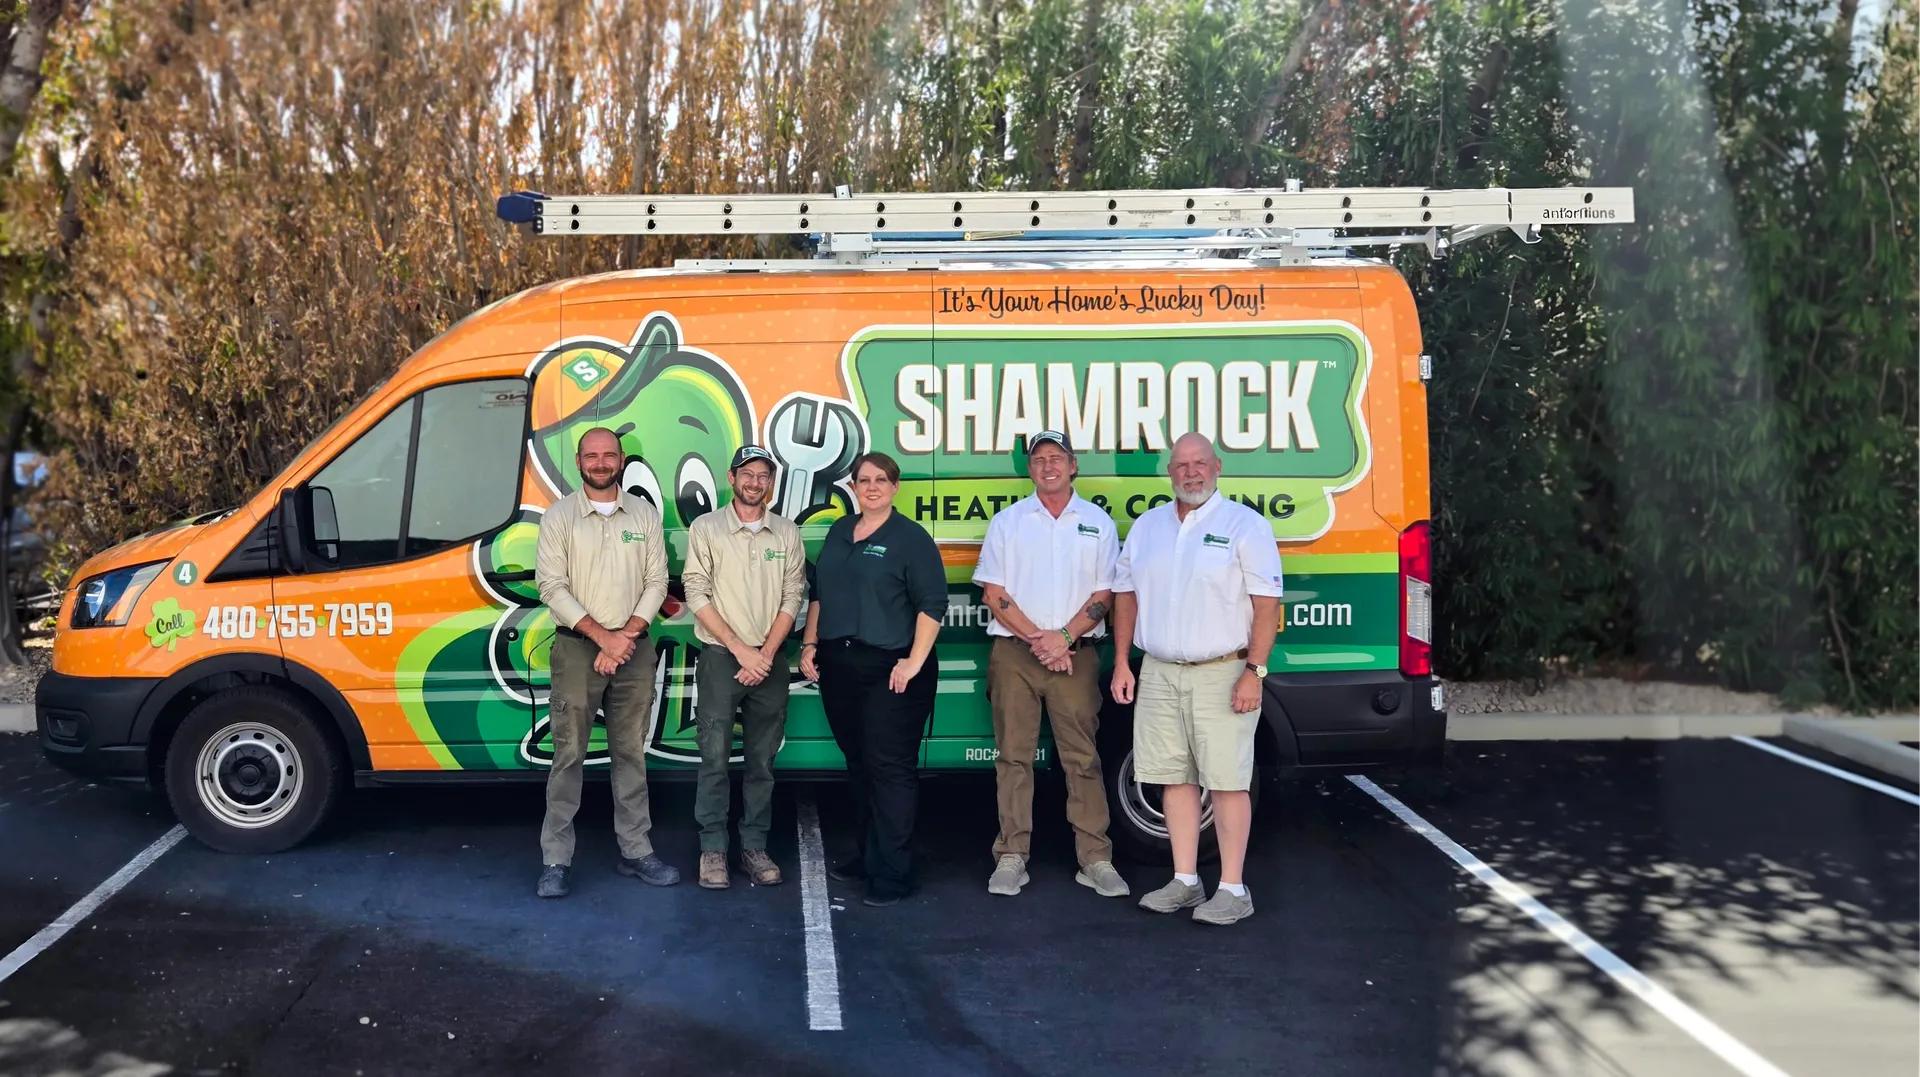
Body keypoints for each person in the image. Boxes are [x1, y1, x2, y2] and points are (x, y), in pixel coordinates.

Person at [1110, 432, 1283, 925]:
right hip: (1159, 671)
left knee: (1228, 783)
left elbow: (1267, 605)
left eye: (1199, 463)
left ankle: (1233, 889)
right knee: (1174, 778)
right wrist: (1123, 661)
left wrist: (1254, 671)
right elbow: (1127, 596)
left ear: (1217, 466)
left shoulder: (1245, 526)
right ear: (1170, 472)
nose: (1191, 472)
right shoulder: (1147, 527)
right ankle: (1185, 881)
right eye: (1181, 465)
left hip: (1223, 671)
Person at [972, 429, 1128, 899]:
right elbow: (994, 593)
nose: (1047, 465)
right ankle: (1012, 856)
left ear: (1073, 466)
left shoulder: (1098, 523)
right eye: (1038, 459)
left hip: (1076, 656)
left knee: (1082, 759)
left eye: (1056, 457)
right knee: (1013, 758)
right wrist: (1041, 641)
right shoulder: (1008, 522)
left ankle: (1095, 858)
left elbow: (1106, 594)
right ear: (1030, 469)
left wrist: (1063, 638)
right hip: (1016, 656)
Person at [532, 427, 679, 897]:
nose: (600, 463)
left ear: (621, 461)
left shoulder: (645, 515)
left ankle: (636, 851)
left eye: (608, 455)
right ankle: (556, 860)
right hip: (576, 650)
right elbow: (551, 587)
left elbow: (658, 581)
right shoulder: (559, 519)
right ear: (578, 462)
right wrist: (602, 638)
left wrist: (627, 636)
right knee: (568, 755)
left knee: (630, 753)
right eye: (591, 456)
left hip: (633, 650)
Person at [800, 451, 946, 907]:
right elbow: (821, 595)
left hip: (894, 670)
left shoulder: (911, 538)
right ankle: (869, 857)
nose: (873, 487)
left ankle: (892, 874)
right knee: (859, 763)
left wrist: (913, 661)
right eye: (864, 480)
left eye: (881, 480)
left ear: (895, 486)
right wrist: (809, 644)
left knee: (889, 768)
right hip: (840, 665)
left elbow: (932, 605)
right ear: (854, 487)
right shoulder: (842, 531)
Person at [681, 445, 806, 890]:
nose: (756, 482)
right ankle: (712, 849)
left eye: (764, 476)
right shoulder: (707, 528)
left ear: (771, 484)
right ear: (731, 478)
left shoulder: (786, 532)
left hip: (768, 661)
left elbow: (794, 596)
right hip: (720, 659)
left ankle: (753, 846)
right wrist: (740, 649)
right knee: (713, 759)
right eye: (748, 474)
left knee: (762, 762)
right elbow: (695, 593)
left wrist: (766, 654)